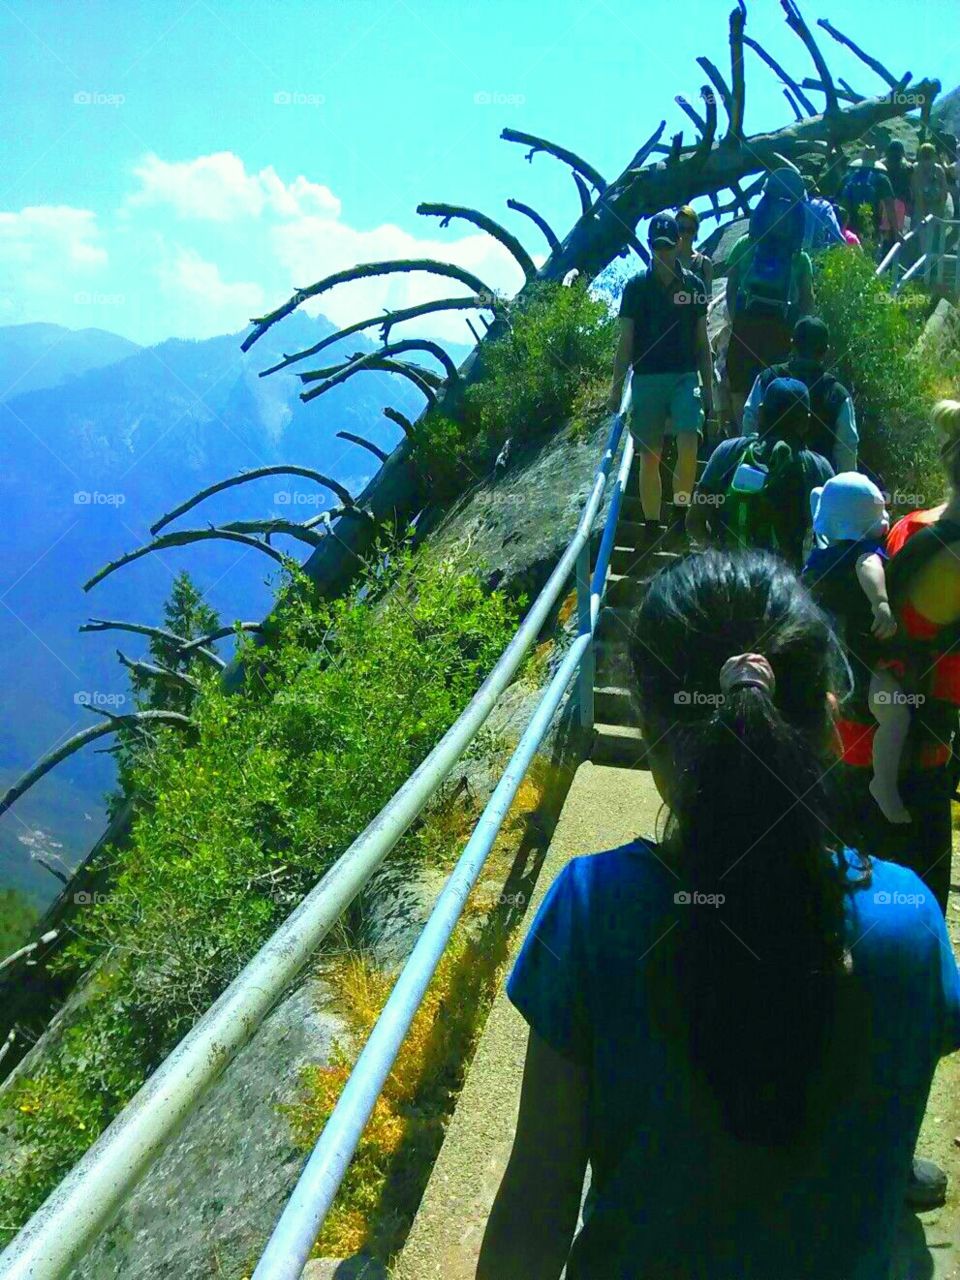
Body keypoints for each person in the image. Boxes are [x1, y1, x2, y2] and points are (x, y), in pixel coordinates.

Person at [476, 548, 960, 1279]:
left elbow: (532, 1223)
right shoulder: (910, 922)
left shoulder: (591, 911)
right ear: (832, 720)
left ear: (648, 725)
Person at [803, 473, 913, 824]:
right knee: (896, 716)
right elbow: (868, 567)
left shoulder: (816, 559)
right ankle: (884, 784)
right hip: (861, 663)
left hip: (824, 663)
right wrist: (881, 604)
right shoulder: (864, 553)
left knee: (818, 727)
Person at [608, 212, 714, 546]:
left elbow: (702, 342)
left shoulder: (693, 286)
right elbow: (625, 342)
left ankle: (680, 512)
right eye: (658, 246)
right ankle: (652, 522)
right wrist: (615, 389)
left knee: (688, 441)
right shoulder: (636, 288)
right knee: (649, 454)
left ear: (679, 243)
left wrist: (710, 392)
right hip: (648, 376)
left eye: (669, 245)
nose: (663, 252)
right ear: (651, 246)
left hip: (684, 375)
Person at [686, 376, 833, 568]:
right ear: (806, 422)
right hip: (787, 589)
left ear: (761, 413)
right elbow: (831, 539)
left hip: (732, 580)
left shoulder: (728, 452)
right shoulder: (819, 469)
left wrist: (719, 559)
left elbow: (694, 521)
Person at [725, 168, 814, 425]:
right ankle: (768, 435)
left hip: (745, 325)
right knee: (774, 385)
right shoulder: (799, 258)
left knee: (738, 384)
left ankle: (743, 437)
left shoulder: (745, 245)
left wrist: (733, 319)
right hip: (781, 328)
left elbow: (731, 288)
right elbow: (807, 300)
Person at [742, 316, 858, 472]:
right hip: (816, 484)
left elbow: (750, 422)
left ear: (792, 345)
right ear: (826, 351)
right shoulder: (838, 394)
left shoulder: (768, 378)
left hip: (764, 475)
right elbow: (846, 449)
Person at [839, 157, 899, 249]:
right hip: (872, 224)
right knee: (870, 252)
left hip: (849, 226)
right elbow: (889, 206)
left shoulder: (848, 177)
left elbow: (839, 203)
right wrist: (896, 231)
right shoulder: (881, 179)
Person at [880, 140, 913, 257]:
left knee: (884, 234)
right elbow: (909, 188)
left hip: (882, 203)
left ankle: (884, 261)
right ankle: (891, 262)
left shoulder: (881, 166)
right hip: (900, 205)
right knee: (896, 234)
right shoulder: (908, 167)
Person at [675, 204, 714, 294]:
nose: (685, 234)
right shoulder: (667, 260)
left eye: (690, 230)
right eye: (681, 229)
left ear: (696, 232)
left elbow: (708, 298)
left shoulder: (704, 264)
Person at [911, 141, 949, 223]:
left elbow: (944, 191)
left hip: (935, 207)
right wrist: (921, 215)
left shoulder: (938, 170)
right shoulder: (916, 169)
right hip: (922, 208)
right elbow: (917, 192)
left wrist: (940, 210)